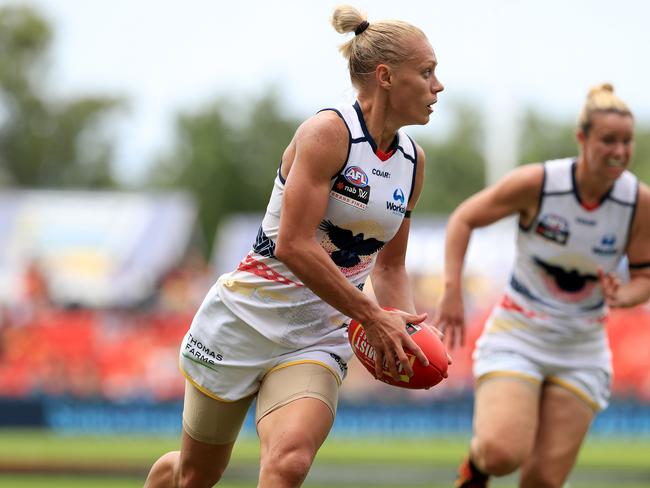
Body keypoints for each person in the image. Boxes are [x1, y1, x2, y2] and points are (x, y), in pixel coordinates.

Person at [144, 4, 444, 487]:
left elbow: (389, 267)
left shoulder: (413, 162)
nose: (438, 86)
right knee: (195, 477)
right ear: (386, 76)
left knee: (289, 464)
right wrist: (372, 317)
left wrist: (399, 329)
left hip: (318, 336)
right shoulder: (328, 133)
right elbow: (294, 246)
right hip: (244, 320)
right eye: (427, 72)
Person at [437, 83, 650, 488]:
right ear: (582, 138)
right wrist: (452, 290)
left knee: (543, 481)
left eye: (627, 142)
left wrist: (624, 295)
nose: (620, 152)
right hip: (519, 335)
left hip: (582, 348)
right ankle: (477, 468)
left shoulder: (638, 202)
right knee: (502, 454)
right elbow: (464, 219)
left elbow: (644, 278)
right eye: (608, 140)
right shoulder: (540, 183)